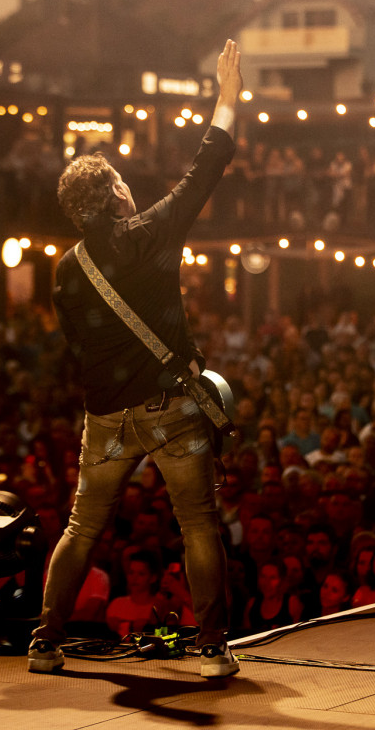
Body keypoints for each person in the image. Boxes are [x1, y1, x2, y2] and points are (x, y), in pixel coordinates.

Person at [29, 39, 243, 679]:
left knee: (81, 529)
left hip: (106, 420)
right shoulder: (149, 233)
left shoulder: (65, 271)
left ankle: (46, 642)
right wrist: (227, 98)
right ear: (117, 196)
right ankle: (210, 650)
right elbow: (205, 169)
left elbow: (78, 347)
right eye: (123, 182)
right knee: (198, 525)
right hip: (172, 408)